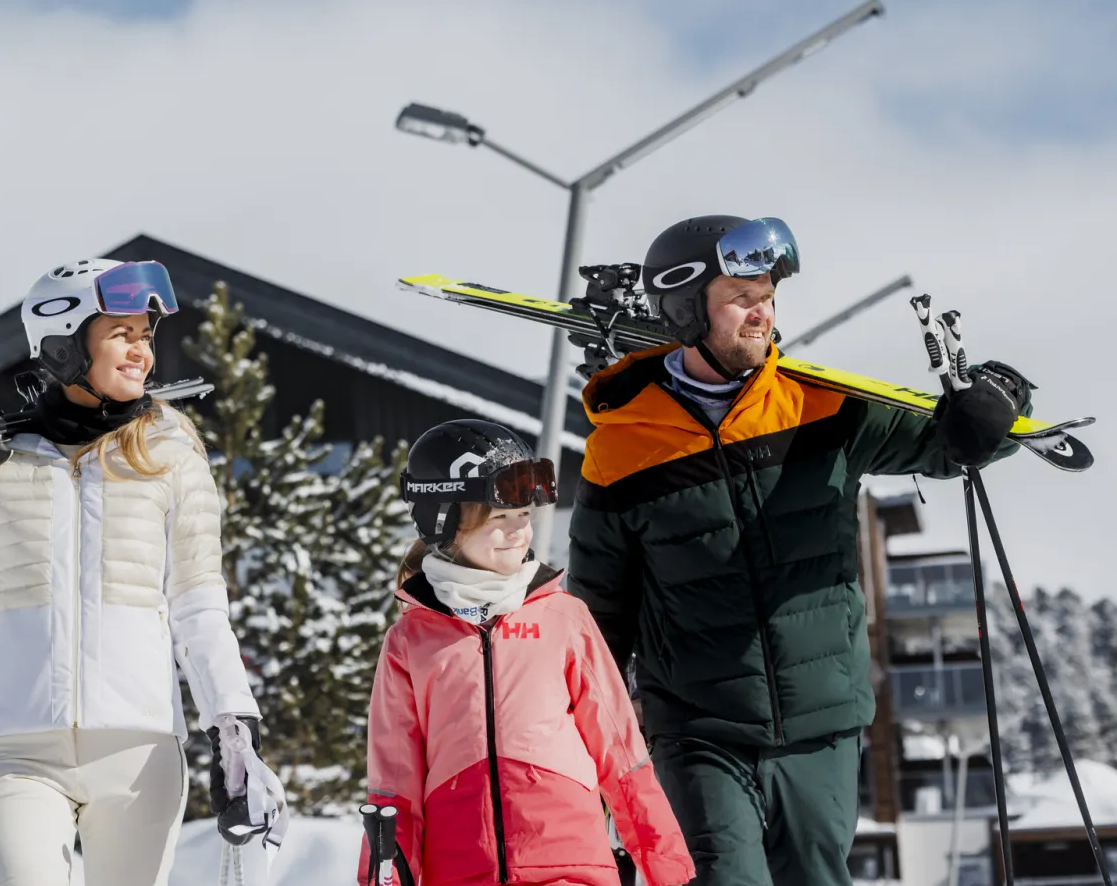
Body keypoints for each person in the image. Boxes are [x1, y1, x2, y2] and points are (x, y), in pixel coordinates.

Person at [565, 216, 1031, 886]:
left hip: (823, 723)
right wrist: (580, 741)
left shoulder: (822, 409)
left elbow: (946, 444)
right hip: (698, 728)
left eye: (768, 296)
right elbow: (598, 612)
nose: (761, 313)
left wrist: (997, 402)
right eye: (740, 297)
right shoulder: (624, 447)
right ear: (686, 307)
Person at [0, 258, 279, 886]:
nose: (143, 353)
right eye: (123, 334)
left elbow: (198, 607)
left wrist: (233, 726)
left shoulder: (172, 453)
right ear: (63, 343)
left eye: (147, 337)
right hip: (15, 747)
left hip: (137, 751)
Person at [360, 419, 695, 886]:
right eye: (500, 520)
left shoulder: (563, 617)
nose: (518, 533)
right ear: (445, 520)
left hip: (572, 868)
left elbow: (621, 756)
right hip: (460, 871)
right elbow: (394, 784)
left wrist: (668, 869)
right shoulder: (412, 642)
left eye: (524, 518)